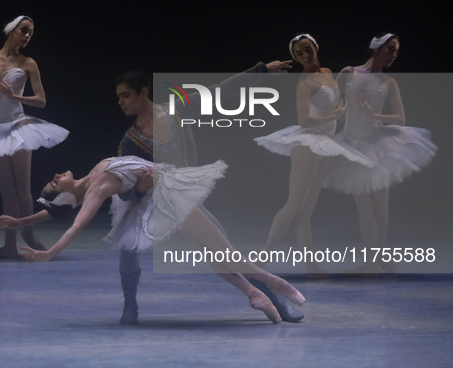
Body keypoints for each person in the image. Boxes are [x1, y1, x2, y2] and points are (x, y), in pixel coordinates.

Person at [0, 156, 307, 324]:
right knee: (221, 249)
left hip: (159, 196)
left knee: (215, 251)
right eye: (55, 181)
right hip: (166, 197)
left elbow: (56, 212)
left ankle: (256, 293)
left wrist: (21, 221)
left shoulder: (89, 180)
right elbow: (76, 223)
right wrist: (50, 253)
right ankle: (272, 282)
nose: (57, 174)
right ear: (65, 192)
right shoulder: (96, 188)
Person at [114, 66, 305, 324]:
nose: (120, 102)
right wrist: (138, 188)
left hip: (183, 200)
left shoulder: (177, 109)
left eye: (125, 95)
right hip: (150, 204)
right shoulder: (129, 142)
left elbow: (221, 91)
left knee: (222, 249)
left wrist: (263, 70)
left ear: (143, 92)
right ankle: (130, 306)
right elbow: (123, 191)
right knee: (127, 246)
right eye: (119, 97)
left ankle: (273, 299)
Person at [253, 34, 374, 277]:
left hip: (324, 144)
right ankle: (263, 256)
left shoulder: (328, 72)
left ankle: (311, 266)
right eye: (299, 54)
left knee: (306, 211)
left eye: (307, 49)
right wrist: (333, 116)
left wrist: (356, 115)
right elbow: (304, 120)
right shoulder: (305, 82)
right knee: (294, 204)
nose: (305, 56)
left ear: (316, 47)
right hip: (308, 145)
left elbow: (336, 112)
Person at [324, 33, 437, 274]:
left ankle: (380, 253)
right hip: (353, 143)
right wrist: (338, 116)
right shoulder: (348, 73)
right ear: (377, 47)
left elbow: (400, 118)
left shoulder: (388, 82)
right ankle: (370, 262)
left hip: (378, 144)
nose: (394, 54)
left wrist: (374, 116)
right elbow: (333, 106)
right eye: (391, 48)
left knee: (380, 207)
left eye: (396, 50)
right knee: (364, 207)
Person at [0, 16, 69, 258]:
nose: (27, 36)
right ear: (11, 30)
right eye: (24, 30)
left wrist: (14, 98)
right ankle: (9, 245)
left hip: (19, 127)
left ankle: (28, 233)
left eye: (31, 33)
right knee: (6, 191)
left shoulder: (28, 62)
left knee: (23, 189)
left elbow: (41, 101)